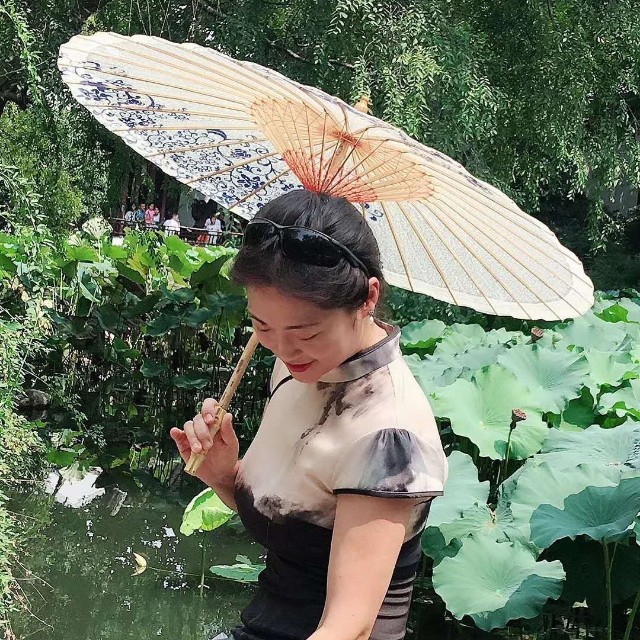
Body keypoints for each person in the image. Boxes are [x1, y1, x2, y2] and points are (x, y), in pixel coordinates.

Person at [170, 190, 447, 640]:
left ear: (368, 298)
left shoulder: (388, 436)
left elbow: (350, 626)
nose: (283, 348)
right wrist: (223, 475)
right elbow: (295, 527)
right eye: (262, 325)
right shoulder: (299, 365)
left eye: (306, 332)